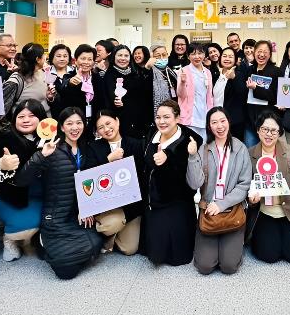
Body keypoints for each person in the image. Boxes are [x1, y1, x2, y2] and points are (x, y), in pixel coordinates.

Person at [14, 107, 102, 279]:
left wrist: (86, 208)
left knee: (95, 245)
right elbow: (22, 180)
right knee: (66, 272)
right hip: (55, 218)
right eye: (69, 123)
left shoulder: (87, 149)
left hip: (77, 215)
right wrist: (41, 155)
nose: (74, 127)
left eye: (79, 123)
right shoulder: (51, 149)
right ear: (61, 127)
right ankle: (42, 241)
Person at [187, 107, 252, 275]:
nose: (220, 126)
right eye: (214, 122)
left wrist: (222, 204)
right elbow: (194, 184)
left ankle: (232, 246)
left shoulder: (240, 148)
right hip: (209, 210)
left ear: (229, 122)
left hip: (232, 210)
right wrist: (192, 156)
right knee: (205, 266)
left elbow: (244, 185)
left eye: (223, 121)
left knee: (229, 266)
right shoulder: (204, 150)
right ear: (209, 126)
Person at [246, 111, 290, 264]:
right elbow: (246, 185)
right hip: (264, 212)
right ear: (257, 130)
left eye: (273, 130)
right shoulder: (250, 154)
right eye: (265, 129)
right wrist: (251, 200)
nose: (269, 134)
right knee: (268, 256)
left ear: (279, 133)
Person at [143, 100, 204, 266]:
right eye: (158, 117)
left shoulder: (189, 142)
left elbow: (189, 179)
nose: (161, 121)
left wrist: (168, 159)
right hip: (153, 201)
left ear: (177, 118)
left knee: (178, 256)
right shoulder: (151, 135)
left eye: (166, 117)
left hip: (178, 200)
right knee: (155, 254)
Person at [0, 99, 46, 262]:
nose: (26, 120)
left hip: (42, 197)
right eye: (21, 116)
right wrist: (1, 164)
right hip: (12, 199)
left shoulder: (50, 140)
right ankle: (10, 239)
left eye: (32, 115)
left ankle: (30, 240)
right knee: (24, 225)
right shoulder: (5, 139)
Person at [84, 111, 145, 255]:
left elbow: (142, 177)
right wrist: (108, 160)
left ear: (117, 121)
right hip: (106, 205)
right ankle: (108, 233)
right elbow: (88, 178)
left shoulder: (135, 144)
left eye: (108, 123)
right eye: (100, 127)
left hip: (130, 206)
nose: (106, 129)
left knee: (129, 249)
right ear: (97, 131)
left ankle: (113, 235)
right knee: (110, 225)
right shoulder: (93, 147)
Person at [103, 44, 153, 140]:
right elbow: (109, 98)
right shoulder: (109, 75)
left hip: (139, 122)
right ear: (114, 57)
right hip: (121, 122)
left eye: (126, 56)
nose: (123, 58)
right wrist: (118, 102)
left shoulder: (135, 72)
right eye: (120, 55)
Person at [54, 43, 105, 128]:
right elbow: (63, 90)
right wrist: (71, 83)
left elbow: (102, 102)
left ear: (93, 62)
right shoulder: (69, 76)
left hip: (94, 122)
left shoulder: (98, 78)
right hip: (75, 123)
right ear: (76, 60)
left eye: (90, 59)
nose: (86, 62)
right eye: (83, 58)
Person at [1, 42, 53, 124]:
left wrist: (50, 97)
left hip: (45, 125)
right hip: (25, 125)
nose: (45, 56)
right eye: (43, 54)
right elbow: (2, 108)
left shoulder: (43, 73)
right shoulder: (16, 80)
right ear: (38, 59)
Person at [244, 40, 281, 147]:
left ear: (270, 54)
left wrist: (256, 88)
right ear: (254, 52)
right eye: (259, 51)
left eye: (265, 52)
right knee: (251, 150)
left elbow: (275, 96)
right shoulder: (249, 70)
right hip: (250, 119)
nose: (262, 54)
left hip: (268, 120)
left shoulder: (276, 71)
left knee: (268, 151)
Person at [176, 43, 214, 141]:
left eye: (200, 53)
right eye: (193, 54)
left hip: (204, 116)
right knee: (190, 145)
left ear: (204, 54)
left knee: (203, 145)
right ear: (188, 56)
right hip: (190, 118)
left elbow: (209, 96)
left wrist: (211, 114)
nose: (197, 57)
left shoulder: (207, 72)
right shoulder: (184, 71)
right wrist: (182, 82)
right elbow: (180, 95)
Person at [212, 47, 250, 142]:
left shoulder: (239, 74)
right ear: (220, 58)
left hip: (233, 121)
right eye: (224, 56)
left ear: (235, 60)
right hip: (216, 119)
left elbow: (243, 94)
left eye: (230, 56)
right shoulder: (216, 75)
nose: (227, 59)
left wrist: (234, 78)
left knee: (234, 147)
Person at [149, 43, 178, 120]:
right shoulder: (149, 73)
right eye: (158, 56)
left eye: (164, 55)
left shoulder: (171, 72)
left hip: (172, 110)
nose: (161, 58)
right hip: (155, 113)